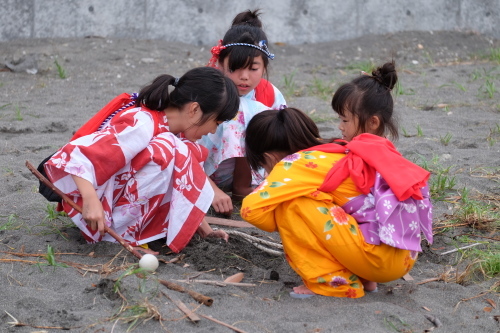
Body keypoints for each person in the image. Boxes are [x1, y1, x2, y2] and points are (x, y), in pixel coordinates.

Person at [241, 76, 432, 298]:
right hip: (404, 254)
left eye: (344, 120)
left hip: (379, 260)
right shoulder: (358, 151)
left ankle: (332, 282)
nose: (340, 127)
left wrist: (282, 222)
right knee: (341, 208)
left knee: (291, 206)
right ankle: (364, 278)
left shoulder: (297, 164)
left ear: (269, 158)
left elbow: (250, 211)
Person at [44, 67, 240, 254]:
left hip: (115, 202)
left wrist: (205, 231)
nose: (213, 130)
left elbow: (184, 183)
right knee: (167, 150)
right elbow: (77, 154)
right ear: (195, 109)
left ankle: (134, 232)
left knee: (177, 150)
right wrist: (91, 200)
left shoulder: (175, 133)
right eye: (216, 122)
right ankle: (119, 237)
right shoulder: (143, 122)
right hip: (97, 212)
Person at [200, 9, 286, 215]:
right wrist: (209, 189)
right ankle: (240, 187)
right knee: (240, 113)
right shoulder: (207, 89)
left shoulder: (270, 94)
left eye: (253, 68)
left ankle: (245, 185)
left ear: (264, 66)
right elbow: (183, 146)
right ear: (220, 63)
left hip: (256, 172)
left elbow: (284, 137)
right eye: (235, 68)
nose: (244, 77)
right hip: (204, 172)